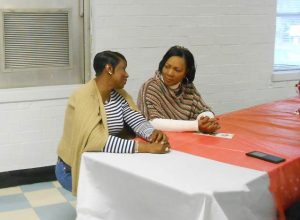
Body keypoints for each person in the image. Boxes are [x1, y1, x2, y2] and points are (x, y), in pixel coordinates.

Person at [56, 51, 170, 195]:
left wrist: (152, 133)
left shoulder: (117, 95)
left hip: (104, 163)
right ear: (109, 69)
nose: (127, 74)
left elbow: (135, 119)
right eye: (123, 68)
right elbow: (96, 140)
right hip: (72, 169)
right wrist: (147, 147)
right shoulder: (84, 96)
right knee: (109, 200)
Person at [137, 45, 220, 133]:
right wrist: (196, 125)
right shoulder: (150, 87)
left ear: (186, 72)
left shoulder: (188, 87)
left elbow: (203, 110)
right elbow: (153, 122)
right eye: (167, 66)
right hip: (158, 142)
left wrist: (207, 120)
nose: (169, 73)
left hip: (184, 140)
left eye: (177, 70)